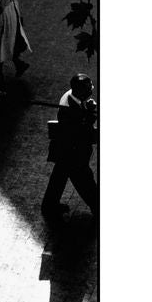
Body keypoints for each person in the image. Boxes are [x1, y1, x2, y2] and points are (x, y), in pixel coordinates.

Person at [41, 74, 98, 220]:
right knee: (85, 180)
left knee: (59, 178)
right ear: (80, 91)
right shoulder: (68, 110)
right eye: (88, 89)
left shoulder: (71, 96)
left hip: (65, 148)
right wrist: (90, 115)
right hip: (72, 151)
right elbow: (80, 131)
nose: (91, 90)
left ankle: (49, 206)